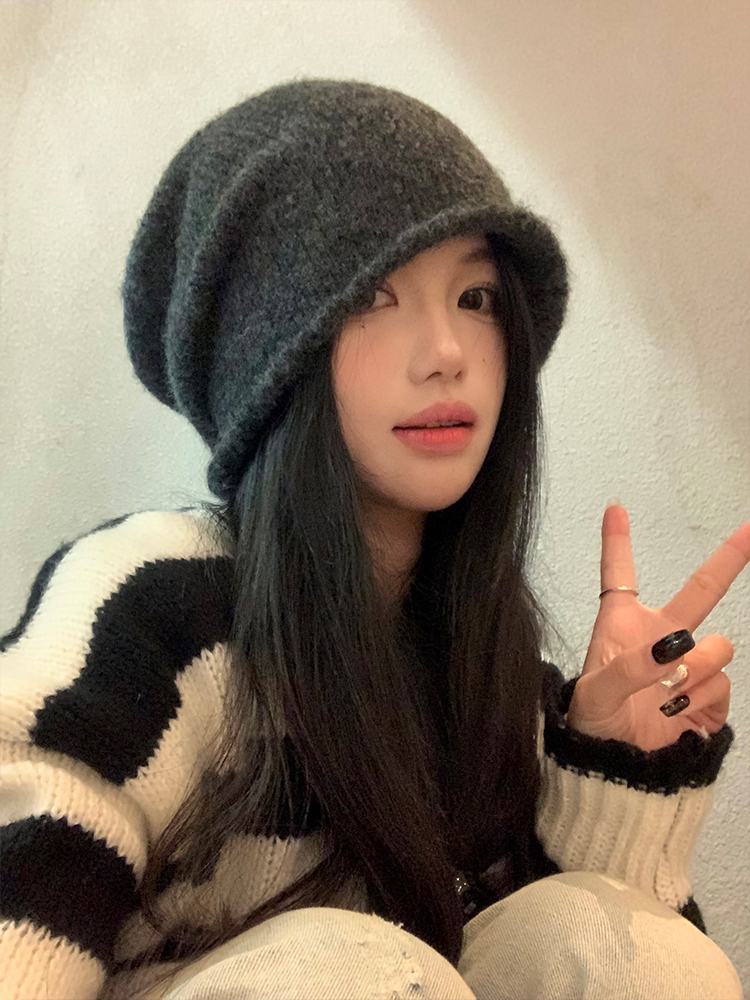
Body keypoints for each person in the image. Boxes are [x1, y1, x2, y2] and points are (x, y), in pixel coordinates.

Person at [1, 77, 747, 1000]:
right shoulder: (149, 609)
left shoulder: (491, 667)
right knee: (352, 969)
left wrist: (614, 773)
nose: (447, 351)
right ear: (267, 357)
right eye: (372, 296)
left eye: (475, 296)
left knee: (617, 943)